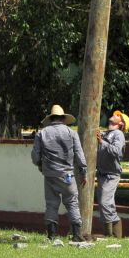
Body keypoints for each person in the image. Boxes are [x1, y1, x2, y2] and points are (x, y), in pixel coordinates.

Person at [31, 104, 87, 242]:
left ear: (51, 119)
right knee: (72, 202)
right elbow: (79, 155)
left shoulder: (42, 133)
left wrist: (41, 166)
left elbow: (35, 157)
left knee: (51, 203)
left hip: (50, 175)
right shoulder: (71, 133)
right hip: (68, 176)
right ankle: (76, 235)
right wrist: (83, 171)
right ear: (63, 118)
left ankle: (51, 235)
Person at [97, 109, 129, 238]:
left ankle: (113, 235)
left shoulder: (118, 134)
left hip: (111, 175)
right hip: (102, 174)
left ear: (121, 124)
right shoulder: (107, 133)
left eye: (118, 116)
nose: (115, 115)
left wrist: (102, 142)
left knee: (105, 203)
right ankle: (110, 235)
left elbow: (116, 151)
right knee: (104, 203)